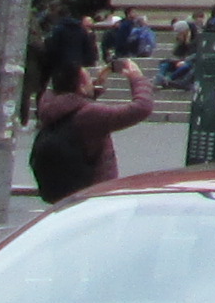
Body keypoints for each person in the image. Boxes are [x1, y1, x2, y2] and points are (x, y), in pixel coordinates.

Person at [30, 56, 153, 198]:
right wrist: (137, 77)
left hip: (63, 189)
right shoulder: (90, 115)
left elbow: (72, 104)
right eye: (89, 79)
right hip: (93, 192)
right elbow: (141, 108)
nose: (92, 82)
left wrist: (96, 86)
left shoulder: (48, 105)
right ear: (82, 87)